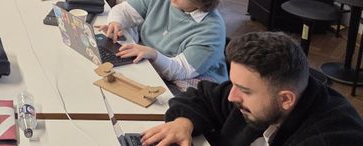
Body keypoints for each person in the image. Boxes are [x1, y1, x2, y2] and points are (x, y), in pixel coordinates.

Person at [141, 31, 363, 146]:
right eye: (234, 84)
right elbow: (203, 96)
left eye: (244, 91)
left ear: (286, 99)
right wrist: (183, 123)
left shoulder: (330, 139)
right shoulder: (263, 95)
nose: (232, 96)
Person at [101, 0, 227, 88]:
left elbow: (180, 70)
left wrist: (154, 55)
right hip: (155, 60)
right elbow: (124, 10)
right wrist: (116, 22)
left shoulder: (212, 30)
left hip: (194, 77)